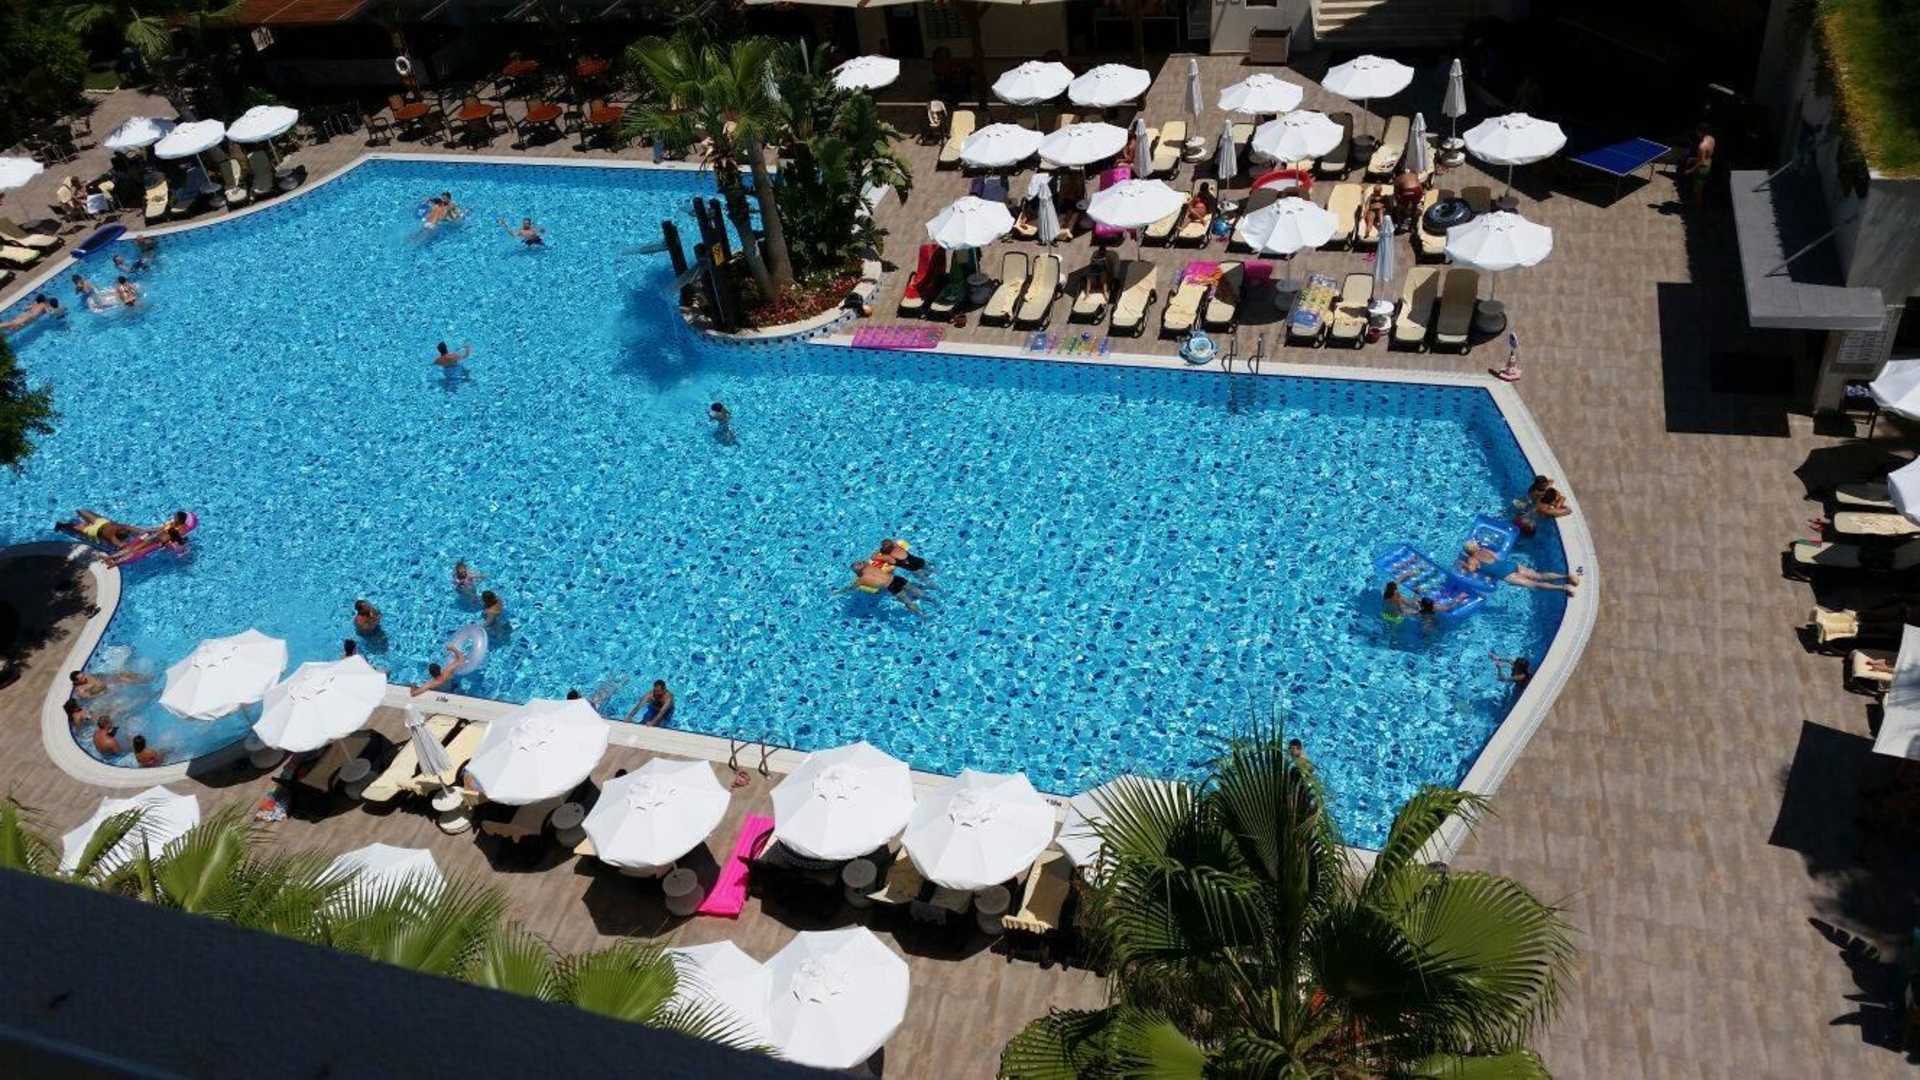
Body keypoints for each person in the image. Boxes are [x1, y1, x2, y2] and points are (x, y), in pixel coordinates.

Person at [1461, 541, 1580, 594]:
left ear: (1468, 552)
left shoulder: (1472, 559)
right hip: (1510, 565)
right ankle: (1566, 576)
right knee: (1539, 575)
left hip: (1506, 574)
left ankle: (1563, 587)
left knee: (1535, 584)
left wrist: (1463, 564)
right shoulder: (1484, 550)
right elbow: (1497, 556)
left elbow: (1471, 570)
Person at [846, 557, 926, 615]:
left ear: (856, 572)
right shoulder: (869, 566)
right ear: (862, 565)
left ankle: (922, 615)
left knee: (908, 602)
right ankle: (930, 599)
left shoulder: (861, 580)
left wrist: (841, 591)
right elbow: (866, 560)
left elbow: (850, 588)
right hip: (896, 579)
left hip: (891, 586)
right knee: (915, 590)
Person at [56, 509, 141, 550]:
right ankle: (61, 525)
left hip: (102, 523)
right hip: (94, 530)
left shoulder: (121, 526)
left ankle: (78, 512)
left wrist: (145, 532)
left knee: (82, 511)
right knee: (75, 528)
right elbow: (122, 546)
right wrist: (138, 545)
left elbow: (139, 530)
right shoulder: (112, 537)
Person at [1680, 122, 1715, 207]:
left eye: (1697, 131)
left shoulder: (1701, 146)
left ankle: (1697, 207)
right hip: (1709, 164)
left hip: (1702, 169)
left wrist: (1690, 170)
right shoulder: (1711, 139)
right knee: (1702, 188)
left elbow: (1701, 162)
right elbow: (1708, 154)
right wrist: (1693, 159)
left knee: (1698, 191)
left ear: (1700, 132)